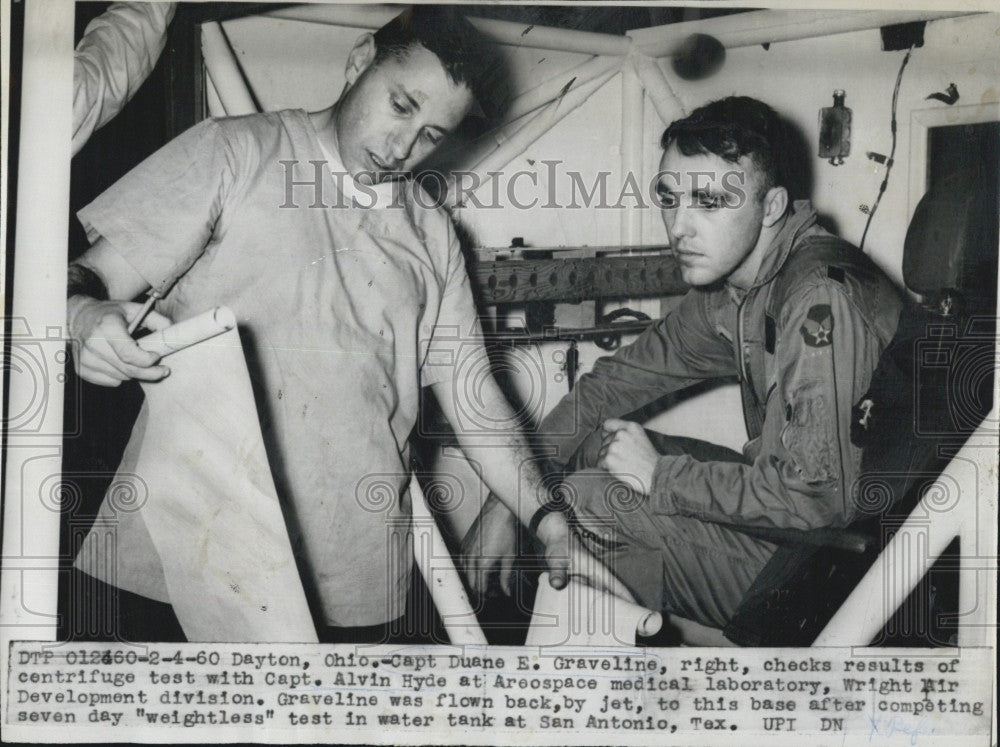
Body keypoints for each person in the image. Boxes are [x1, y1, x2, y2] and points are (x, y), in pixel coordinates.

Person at [66, 6, 622, 642]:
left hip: (353, 583)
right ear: (360, 61)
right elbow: (87, 279)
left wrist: (548, 519)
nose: (400, 148)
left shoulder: (433, 232)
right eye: (400, 105)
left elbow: (477, 405)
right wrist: (84, 316)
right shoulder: (235, 151)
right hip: (181, 548)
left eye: (432, 135)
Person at [464, 96, 904, 633]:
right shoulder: (737, 293)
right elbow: (608, 388)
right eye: (670, 199)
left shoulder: (819, 299)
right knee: (589, 451)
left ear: (771, 208)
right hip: (802, 530)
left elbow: (818, 499)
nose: (679, 227)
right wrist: (509, 501)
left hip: (843, 567)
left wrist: (660, 476)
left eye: (709, 202)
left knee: (582, 504)